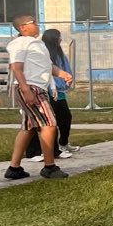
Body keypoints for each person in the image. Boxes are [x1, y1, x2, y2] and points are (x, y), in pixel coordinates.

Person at [5, 14, 70, 181]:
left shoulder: (38, 43)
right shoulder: (19, 43)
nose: (37, 24)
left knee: (28, 128)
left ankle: (14, 168)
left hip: (38, 87)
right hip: (31, 87)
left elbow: (47, 66)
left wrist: (62, 74)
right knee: (49, 124)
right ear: (23, 27)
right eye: (33, 22)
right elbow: (16, 67)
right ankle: (49, 167)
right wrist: (26, 89)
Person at [26, 28, 78, 162]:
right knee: (36, 123)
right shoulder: (38, 50)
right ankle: (34, 152)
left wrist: (65, 80)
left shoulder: (58, 53)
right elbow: (45, 71)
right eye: (58, 37)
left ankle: (60, 145)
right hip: (40, 90)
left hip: (57, 91)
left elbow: (60, 69)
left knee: (62, 118)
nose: (60, 40)